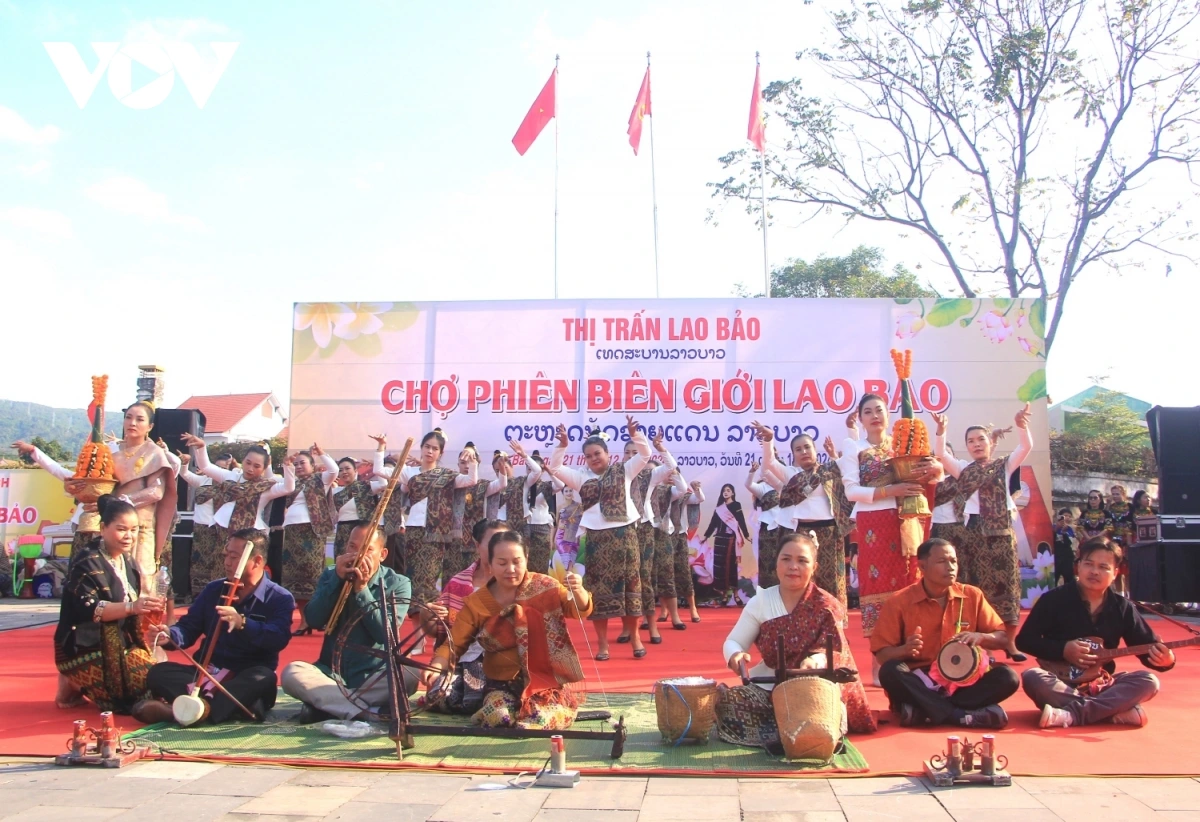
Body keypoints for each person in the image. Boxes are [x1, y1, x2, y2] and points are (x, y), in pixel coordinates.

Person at [718, 533, 876, 749]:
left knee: (816, 709)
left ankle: (799, 734)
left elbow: (834, 651)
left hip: (816, 687)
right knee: (731, 702)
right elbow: (734, 641)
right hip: (771, 689)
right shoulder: (761, 602)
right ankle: (790, 733)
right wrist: (735, 655)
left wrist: (815, 661)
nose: (793, 567)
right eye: (786, 559)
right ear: (776, 564)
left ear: (814, 567)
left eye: (802, 561)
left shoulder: (826, 605)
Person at [424, 530, 592, 729]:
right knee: (498, 717)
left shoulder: (545, 585)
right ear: (490, 564)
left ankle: (558, 712)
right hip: (501, 682)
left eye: (517, 562)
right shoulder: (478, 602)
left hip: (545, 681)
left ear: (526, 559)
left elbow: (577, 610)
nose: (510, 569)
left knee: (538, 718)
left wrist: (579, 591)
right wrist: (436, 667)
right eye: (502, 563)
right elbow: (454, 644)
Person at [134, 530, 294, 725]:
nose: (227, 562)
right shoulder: (214, 589)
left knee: (263, 678)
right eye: (226, 556)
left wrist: (243, 623)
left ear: (257, 561)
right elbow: (188, 627)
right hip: (207, 673)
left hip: (244, 675)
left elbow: (278, 638)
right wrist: (170, 635)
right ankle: (224, 709)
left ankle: (185, 712)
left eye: (233, 557)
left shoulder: (280, 597)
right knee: (159, 673)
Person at [1018, 536, 1175, 729]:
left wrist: (1166, 660)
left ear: (1115, 573)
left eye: (1103, 567)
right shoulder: (1053, 599)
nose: (1094, 571)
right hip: (1060, 683)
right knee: (1033, 677)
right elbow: (1024, 641)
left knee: (1148, 681)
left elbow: (1146, 648)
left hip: (1101, 685)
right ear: (1078, 566)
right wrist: (1063, 649)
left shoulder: (1122, 607)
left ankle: (1071, 715)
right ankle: (1110, 713)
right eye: (1089, 564)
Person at [870, 538, 1019, 729]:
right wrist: (905, 650)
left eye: (953, 561)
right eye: (942, 561)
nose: (950, 567)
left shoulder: (972, 595)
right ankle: (960, 715)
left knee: (1008, 677)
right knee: (890, 671)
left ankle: (926, 711)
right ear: (922, 567)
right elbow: (882, 655)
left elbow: (1003, 638)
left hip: (964, 683)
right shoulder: (898, 602)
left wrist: (981, 637)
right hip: (921, 682)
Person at [282, 523, 417, 722]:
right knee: (292, 673)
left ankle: (328, 706)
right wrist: (337, 580)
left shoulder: (397, 583)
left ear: (382, 554)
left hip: (373, 677)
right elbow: (313, 619)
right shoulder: (331, 574)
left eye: (367, 549)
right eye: (352, 547)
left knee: (410, 675)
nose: (358, 555)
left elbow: (385, 635)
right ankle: (366, 712)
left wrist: (362, 590)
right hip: (329, 674)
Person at [933, 404, 1034, 658]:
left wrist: (1022, 426)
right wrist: (941, 431)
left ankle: (1009, 643)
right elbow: (941, 455)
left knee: (1008, 587)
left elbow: (1025, 447)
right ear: (967, 446)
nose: (976, 444)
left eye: (981, 439)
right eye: (971, 441)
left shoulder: (1003, 466)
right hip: (973, 534)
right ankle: (984, 646)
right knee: (977, 589)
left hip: (1001, 534)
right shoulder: (964, 470)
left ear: (990, 442)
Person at [837, 394, 941, 638]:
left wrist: (937, 470)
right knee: (878, 582)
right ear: (860, 419)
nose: (874, 416)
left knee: (910, 577)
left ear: (888, 414)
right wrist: (891, 491)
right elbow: (851, 492)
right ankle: (881, 648)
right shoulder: (854, 447)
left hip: (905, 520)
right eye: (868, 412)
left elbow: (928, 478)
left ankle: (914, 643)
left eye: (879, 410)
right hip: (873, 523)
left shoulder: (903, 445)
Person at [547, 416, 651, 661]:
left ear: (607, 454)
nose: (594, 458)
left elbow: (645, 455)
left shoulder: (623, 470)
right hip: (596, 541)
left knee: (631, 590)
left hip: (625, 538)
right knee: (597, 592)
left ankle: (635, 638)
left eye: (598, 453)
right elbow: (555, 468)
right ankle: (603, 645)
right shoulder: (581, 479)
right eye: (589, 456)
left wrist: (635, 435)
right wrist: (562, 445)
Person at [54, 495, 162, 713]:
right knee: (126, 698)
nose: (129, 536)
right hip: (83, 644)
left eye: (134, 530)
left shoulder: (127, 561)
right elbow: (92, 610)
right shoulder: (87, 562)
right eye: (122, 529)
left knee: (154, 683)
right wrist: (132, 607)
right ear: (103, 528)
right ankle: (71, 680)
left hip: (119, 641)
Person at [371, 430, 481, 607]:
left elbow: (471, 480)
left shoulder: (447, 475)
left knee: (429, 575)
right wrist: (381, 446)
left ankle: (426, 612)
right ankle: (415, 616)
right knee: (412, 573)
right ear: (421, 448)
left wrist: (472, 458)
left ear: (440, 453)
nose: (430, 451)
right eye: (427, 447)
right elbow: (379, 470)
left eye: (435, 449)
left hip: (436, 532)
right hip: (414, 530)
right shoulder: (409, 472)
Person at [754, 424, 854, 612]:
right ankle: (802, 621)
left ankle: (833, 621)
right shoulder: (791, 474)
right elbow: (768, 464)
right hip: (800, 534)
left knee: (831, 581)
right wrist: (768, 440)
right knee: (802, 582)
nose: (804, 452)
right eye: (798, 449)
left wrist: (852, 429)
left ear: (815, 450)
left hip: (829, 533)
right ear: (793, 455)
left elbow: (851, 461)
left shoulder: (829, 470)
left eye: (807, 447)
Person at [425, 519, 512, 715]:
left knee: (490, 703)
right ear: (477, 545)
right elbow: (445, 634)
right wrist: (427, 616)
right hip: (463, 659)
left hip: (505, 662)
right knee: (439, 697)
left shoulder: (517, 583)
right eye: (492, 542)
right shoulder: (459, 583)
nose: (498, 549)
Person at [280, 446, 338, 635]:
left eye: (302, 463)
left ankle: (318, 618)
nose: (298, 467)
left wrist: (321, 453)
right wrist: (287, 465)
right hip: (292, 532)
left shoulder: (321, 480)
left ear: (313, 466)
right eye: (296, 464)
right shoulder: (293, 483)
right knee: (293, 578)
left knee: (312, 576)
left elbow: (334, 470)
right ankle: (304, 622)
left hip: (311, 532)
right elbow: (282, 483)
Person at [178, 451, 239, 598]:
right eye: (216, 467)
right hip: (202, 529)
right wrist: (185, 463)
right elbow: (185, 475)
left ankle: (218, 595)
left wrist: (236, 466)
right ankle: (199, 596)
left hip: (221, 530)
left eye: (223, 468)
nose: (218, 471)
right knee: (199, 562)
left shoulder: (231, 485)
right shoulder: (203, 480)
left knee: (218, 562)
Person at [507, 441, 565, 574]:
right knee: (525, 562)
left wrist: (550, 472)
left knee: (541, 563)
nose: (530, 470)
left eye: (532, 468)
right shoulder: (523, 483)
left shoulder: (546, 486)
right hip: (525, 526)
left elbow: (561, 485)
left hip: (542, 527)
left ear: (542, 470)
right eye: (528, 468)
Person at [700, 483, 751, 606]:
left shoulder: (736, 505)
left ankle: (736, 595)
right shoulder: (719, 508)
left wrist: (746, 535)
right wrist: (706, 536)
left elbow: (741, 521)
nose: (726, 492)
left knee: (732, 567)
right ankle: (724, 595)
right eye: (724, 490)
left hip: (731, 540)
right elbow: (713, 524)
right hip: (719, 541)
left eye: (728, 490)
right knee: (721, 569)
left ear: (732, 493)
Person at [331, 454, 384, 557]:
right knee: (343, 559)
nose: (344, 472)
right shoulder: (335, 492)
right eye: (341, 470)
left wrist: (377, 464)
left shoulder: (366, 486)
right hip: (343, 533)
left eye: (347, 468)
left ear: (355, 471)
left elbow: (384, 484)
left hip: (363, 530)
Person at [745, 460, 783, 588]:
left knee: (783, 561)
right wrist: (752, 472)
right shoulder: (763, 487)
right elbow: (748, 485)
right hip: (767, 529)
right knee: (767, 563)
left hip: (785, 529)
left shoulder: (786, 485)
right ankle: (767, 593)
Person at [1053, 509, 1078, 587]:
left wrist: (1064, 533)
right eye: (1065, 515)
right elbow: (1049, 540)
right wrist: (1056, 529)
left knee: (1069, 581)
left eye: (1069, 516)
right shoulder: (1053, 527)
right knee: (1054, 580)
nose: (1067, 518)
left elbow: (1070, 543)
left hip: (1067, 558)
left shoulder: (1070, 529)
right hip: (1055, 558)